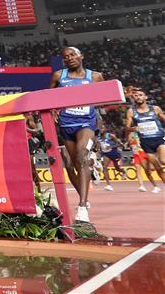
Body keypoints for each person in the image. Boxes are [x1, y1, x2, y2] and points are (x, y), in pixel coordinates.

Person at [51, 46, 103, 222]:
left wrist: (99, 123)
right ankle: (87, 182)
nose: (69, 58)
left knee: (81, 157)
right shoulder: (59, 76)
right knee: (73, 165)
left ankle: (82, 207)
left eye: (73, 55)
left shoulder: (95, 77)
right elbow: (48, 98)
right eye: (66, 57)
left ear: (81, 56)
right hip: (66, 125)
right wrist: (53, 111)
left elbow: (103, 100)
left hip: (86, 123)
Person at [125, 86, 165, 192]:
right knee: (157, 168)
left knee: (163, 160)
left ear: (145, 97)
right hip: (146, 142)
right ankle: (158, 185)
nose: (138, 97)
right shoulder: (131, 111)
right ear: (134, 98)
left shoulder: (155, 108)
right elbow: (127, 128)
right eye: (136, 95)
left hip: (159, 138)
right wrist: (133, 128)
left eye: (141, 95)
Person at [95, 125, 128, 190]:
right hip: (106, 154)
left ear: (105, 129)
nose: (101, 130)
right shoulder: (98, 138)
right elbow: (98, 146)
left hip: (114, 153)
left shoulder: (110, 136)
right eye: (100, 129)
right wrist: (98, 150)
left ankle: (123, 171)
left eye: (102, 128)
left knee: (117, 168)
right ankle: (108, 185)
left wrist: (111, 147)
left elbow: (120, 144)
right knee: (104, 167)